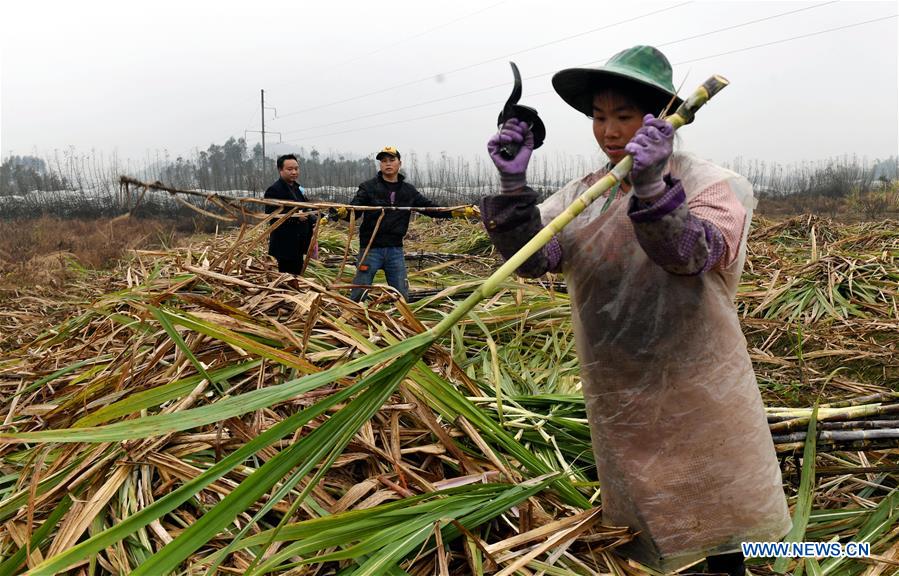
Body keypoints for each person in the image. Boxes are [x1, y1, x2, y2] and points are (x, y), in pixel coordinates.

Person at [480, 46, 790, 575]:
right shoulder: (587, 195)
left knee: (723, 525)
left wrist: (651, 187)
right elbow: (536, 259)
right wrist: (513, 188)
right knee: (653, 523)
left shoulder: (712, 185)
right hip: (620, 387)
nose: (609, 131)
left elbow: (692, 253)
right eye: (599, 117)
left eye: (624, 116)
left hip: (699, 386)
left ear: (662, 119)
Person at [340, 146, 471, 301]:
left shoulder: (408, 191)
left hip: (395, 250)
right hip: (370, 249)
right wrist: (344, 213)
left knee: (401, 295)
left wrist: (455, 212)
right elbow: (355, 211)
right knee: (359, 292)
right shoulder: (368, 187)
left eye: (391, 160)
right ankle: (356, 317)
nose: (387, 163)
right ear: (380, 165)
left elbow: (430, 208)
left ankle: (400, 321)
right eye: (383, 161)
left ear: (399, 163)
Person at [264, 154, 316, 274]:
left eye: (296, 169)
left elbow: (306, 209)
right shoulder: (274, 190)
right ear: (280, 170)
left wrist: (315, 217)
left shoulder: (297, 189)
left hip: (299, 244)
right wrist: (296, 217)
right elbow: (271, 215)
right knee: (286, 278)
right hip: (285, 245)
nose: (294, 172)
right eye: (290, 169)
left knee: (297, 275)